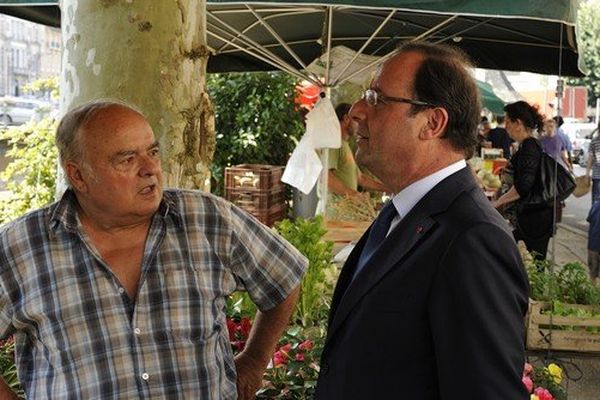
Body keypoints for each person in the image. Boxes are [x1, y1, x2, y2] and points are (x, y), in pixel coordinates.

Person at [0, 100, 307, 399]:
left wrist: (253, 363)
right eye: (127, 159)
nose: (150, 170)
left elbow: (284, 278)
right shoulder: (21, 247)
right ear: (78, 175)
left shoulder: (207, 218)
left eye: (153, 152)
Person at [315, 42, 529, 399]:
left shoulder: (473, 240)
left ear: (432, 122)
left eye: (377, 98)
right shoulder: (404, 209)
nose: (356, 111)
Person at [493, 101, 555, 261]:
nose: (505, 126)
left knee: (531, 266)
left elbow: (523, 186)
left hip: (534, 221)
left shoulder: (529, 146)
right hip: (533, 218)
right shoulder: (527, 145)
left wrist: (497, 203)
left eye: (508, 122)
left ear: (518, 123)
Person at [328, 103, 388, 196]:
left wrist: (388, 188)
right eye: (356, 120)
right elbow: (326, 177)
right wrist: (354, 195)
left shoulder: (344, 144)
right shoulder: (334, 143)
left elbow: (361, 179)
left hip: (346, 209)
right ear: (346, 118)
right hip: (335, 208)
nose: (359, 125)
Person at [586, 121, 600, 204]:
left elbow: (590, 159)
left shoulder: (594, 141)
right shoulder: (594, 141)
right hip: (597, 177)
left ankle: (595, 217)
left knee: (595, 201)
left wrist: (587, 174)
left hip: (597, 177)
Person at [587, 200, 600, 285]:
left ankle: (592, 292)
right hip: (594, 244)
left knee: (593, 274)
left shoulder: (596, 205)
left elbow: (589, 219)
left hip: (593, 245)